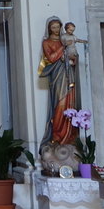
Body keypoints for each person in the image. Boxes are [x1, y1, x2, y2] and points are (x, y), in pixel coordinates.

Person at [38, 17, 78, 147]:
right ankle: (57, 135)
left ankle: (69, 135)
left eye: (58, 27)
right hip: (57, 76)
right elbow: (51, 57)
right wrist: (63, 47)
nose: (56, 30)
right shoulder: (47, 42)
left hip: (68, 73)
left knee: (69, 103)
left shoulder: (64, 39)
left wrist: (73, 58)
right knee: (59, 105)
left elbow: (73, 55)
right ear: (49, 28)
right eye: (53, 27)